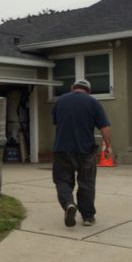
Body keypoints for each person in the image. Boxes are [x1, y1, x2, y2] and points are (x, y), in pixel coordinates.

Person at [51, 79, 112, 227]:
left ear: (73, 88)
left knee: (62, 180)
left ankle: (68, 204)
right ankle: (87, 217)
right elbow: (104, 128)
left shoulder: (60, 102)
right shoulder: (93, 103)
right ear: (89, 91)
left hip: (62, 149)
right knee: (87, 183)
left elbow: (56, 122)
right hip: (86, 151)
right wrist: (108, 146)